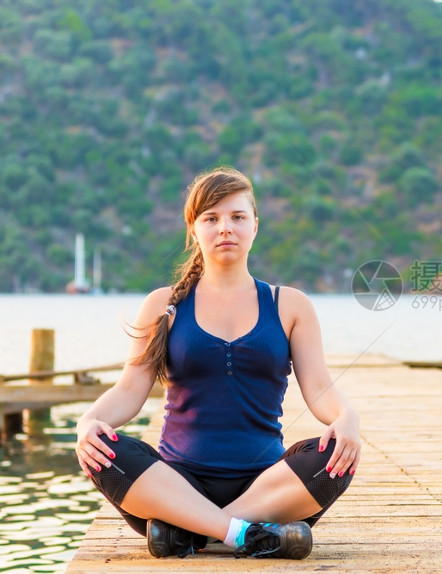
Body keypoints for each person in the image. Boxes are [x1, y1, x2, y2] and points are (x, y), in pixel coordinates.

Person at [75, 167, 360, 559]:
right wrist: (87, 422)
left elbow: (319, 388)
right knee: (102, 450)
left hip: (266, 485)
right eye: (211, 218)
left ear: (255, 226)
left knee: (335, 456)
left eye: (237, 217)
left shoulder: (290, 305)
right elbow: (129, 390)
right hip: (175, 484)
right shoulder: (164, 306)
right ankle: (249, 535)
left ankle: (190, 533)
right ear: (194, 230)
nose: (225, 227)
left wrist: (347, 417)